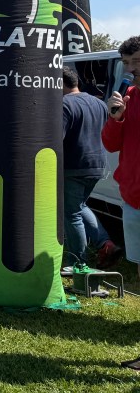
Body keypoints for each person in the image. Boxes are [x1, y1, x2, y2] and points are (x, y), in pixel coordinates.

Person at [102, 36, 140, 371]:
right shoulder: (128, 97)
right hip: (132, 198)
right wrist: (116, 118)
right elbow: (110, 145)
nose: (131, 69)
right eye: (126, 64)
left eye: (136, 62)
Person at [61, 66, 120, 275]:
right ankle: (105, 243)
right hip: (97, 165)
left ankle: (77, 263)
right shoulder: (99, 103)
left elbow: (57, 138)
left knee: (71, 214)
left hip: (74, 166)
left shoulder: (64, 104)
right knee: (80, 207)